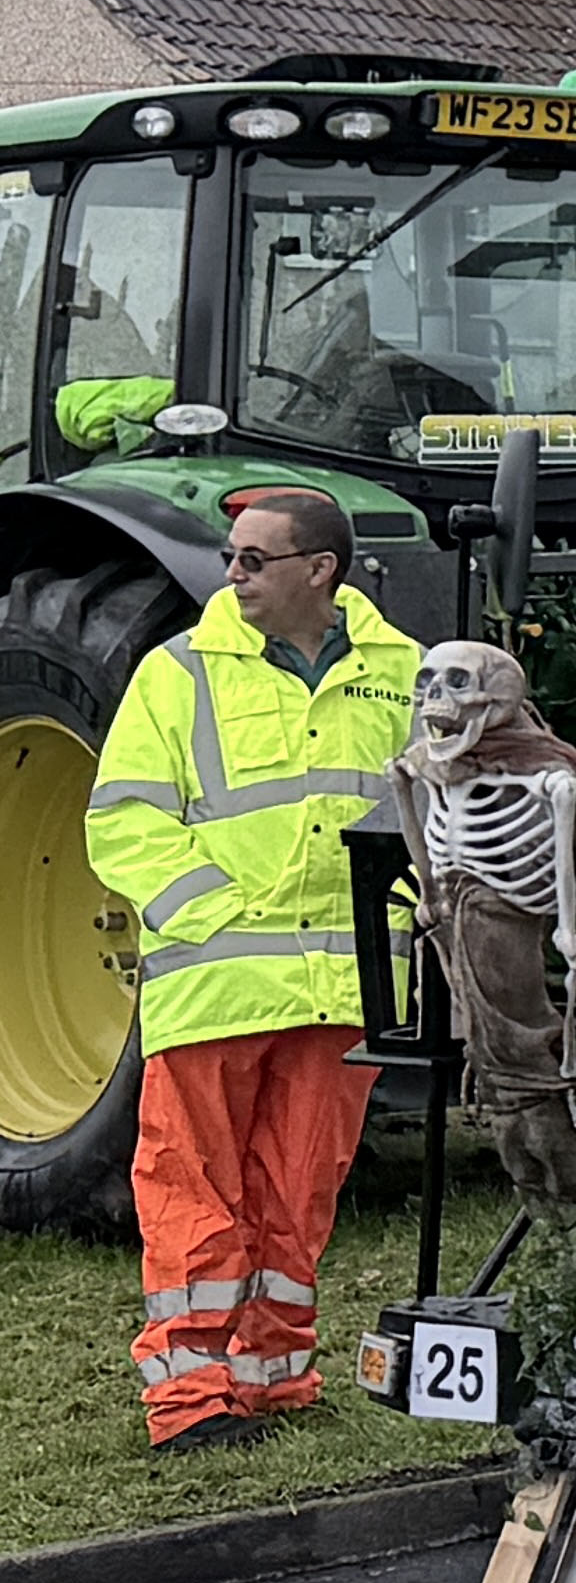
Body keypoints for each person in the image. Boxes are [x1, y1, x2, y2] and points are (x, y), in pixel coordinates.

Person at [85, 487, 420, 1447]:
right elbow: (123, 819)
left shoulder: (405, 672)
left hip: (342, 986)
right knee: (192, 1189)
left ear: (321, 570)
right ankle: (191, 1398)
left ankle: (274, 1377)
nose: (231, 575)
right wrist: (210, 913)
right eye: (232, 556)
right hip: (219, 983)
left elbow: (436, 815)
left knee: (300, 1192)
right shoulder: (178, 672)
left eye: (253, 560)